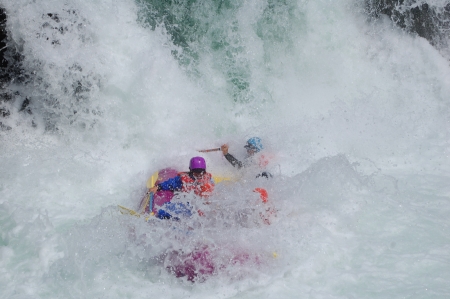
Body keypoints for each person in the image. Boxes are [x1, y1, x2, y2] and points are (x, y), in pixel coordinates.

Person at [148, 156, 215, 219]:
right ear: (191, 171)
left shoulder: (208, 181)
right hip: (186, 206)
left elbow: (212, 197)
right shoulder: (184, 179)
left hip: (201, 207)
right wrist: (158, 187)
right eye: (196, 172)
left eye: (201, 172)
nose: (199, 175)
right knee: (163, 211)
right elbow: (171, 183)